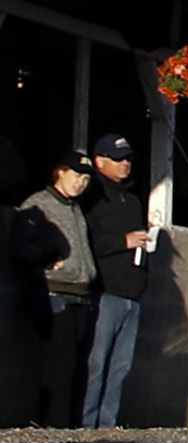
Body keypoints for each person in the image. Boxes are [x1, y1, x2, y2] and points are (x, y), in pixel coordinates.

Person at [17, 153, 97, 427]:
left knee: (74, 364)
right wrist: (45, 258)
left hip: (80, 294)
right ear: (60, 172)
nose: (81, 182)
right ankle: (53, 425)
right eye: (76, 175)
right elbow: (20, 243)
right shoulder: (39, 203)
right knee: (59, 364)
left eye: (86, 178)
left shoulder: (76, 208)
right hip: (53, 293)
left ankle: (66, 424)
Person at [80, 135, 152, 428]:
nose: (125, 164)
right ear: (100, 162)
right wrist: (124, 241)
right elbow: (86, 241)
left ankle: (108, 425)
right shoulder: (92, 197)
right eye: (118, 158)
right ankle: (86, 424)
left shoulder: (132, 199)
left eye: (128, 158)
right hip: (105, 292)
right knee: (96, 363)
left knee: (121, 367)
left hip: (132, 295)